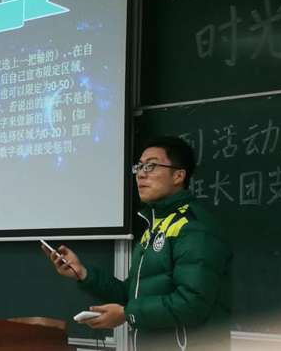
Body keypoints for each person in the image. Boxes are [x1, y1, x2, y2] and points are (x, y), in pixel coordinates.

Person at [43, 136, 232, 351]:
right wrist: (83, 274)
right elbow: (131, 295)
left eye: (151, 166)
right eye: (139, 167)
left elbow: (192, 303)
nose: (141, 174)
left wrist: (127, 313)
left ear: (178, 175)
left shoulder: (194, 227)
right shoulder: (155, 227)